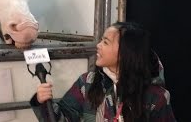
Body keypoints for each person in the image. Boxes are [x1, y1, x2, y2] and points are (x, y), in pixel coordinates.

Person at [30, 22, 176, 122]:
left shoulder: (156, 97)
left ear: (125, 53)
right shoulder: (86, 83)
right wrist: (42, 102)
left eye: (105, 42)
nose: (98, 46)